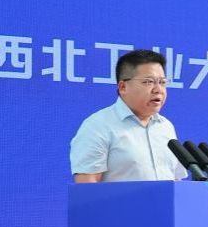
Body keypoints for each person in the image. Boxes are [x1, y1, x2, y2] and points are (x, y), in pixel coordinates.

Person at [70, 49, 186, 182]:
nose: (158, 90)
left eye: (162, 82)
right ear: (123, 87)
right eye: (148, 82)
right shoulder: (98, 126)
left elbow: (176, 181)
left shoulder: (166, 126)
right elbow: (87, 185)